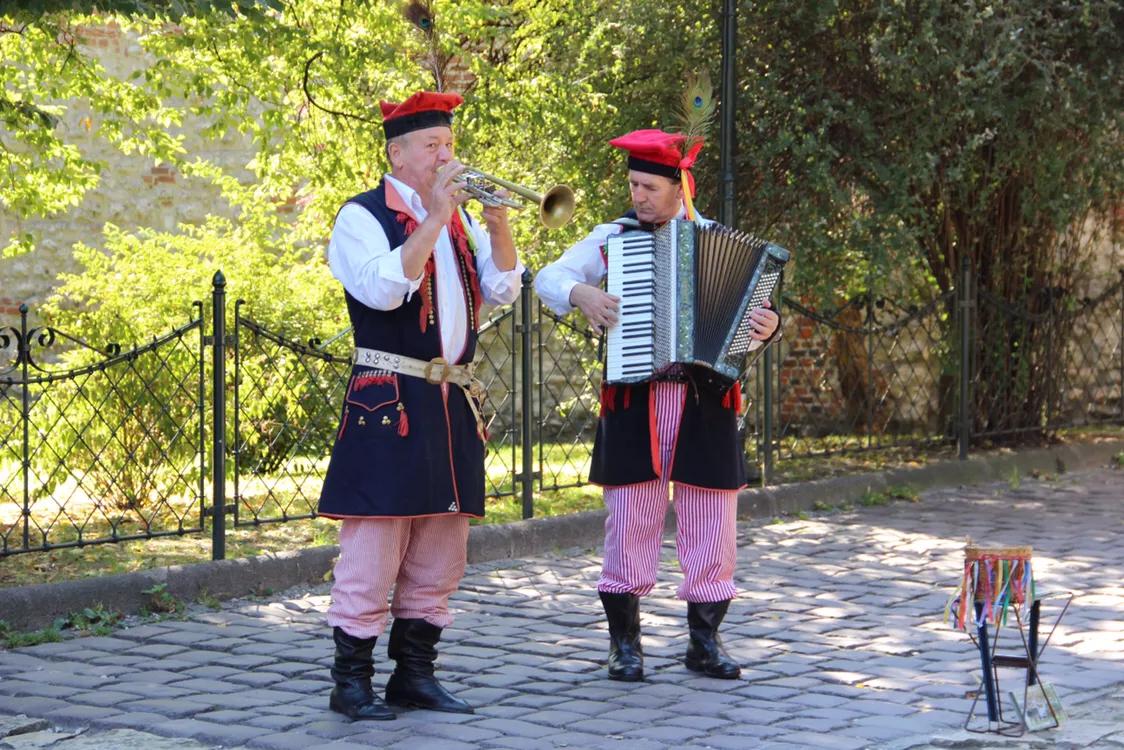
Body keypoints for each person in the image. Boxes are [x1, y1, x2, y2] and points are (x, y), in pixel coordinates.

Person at [534, 128, 780, 682]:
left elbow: (757, 315)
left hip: (705, 403)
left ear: (679, 187)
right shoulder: (612, 237)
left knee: (712, 522)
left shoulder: (713, 238)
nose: (638, 196)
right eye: (633, 185)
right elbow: (549, 276)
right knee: (630, 520)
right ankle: (625, 644)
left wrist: (769, 325)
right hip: (635, 402)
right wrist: (581, 293)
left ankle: (704, 642)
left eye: (649, 187)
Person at [317, 90, 523, 720]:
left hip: (450, 397)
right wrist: (434, 218)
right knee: (375, 544)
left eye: (449, 144)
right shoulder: (361, 216)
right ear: (397, 154)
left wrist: (498, 225)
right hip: (390, 396)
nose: (445, 156)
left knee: (441, 546)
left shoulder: (460, 224)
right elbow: (382, 291)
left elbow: (504, 289)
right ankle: (351, 683)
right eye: (432, 145)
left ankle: (414, 674)